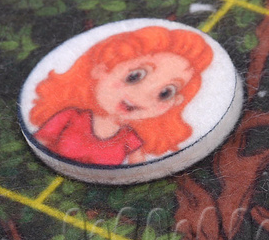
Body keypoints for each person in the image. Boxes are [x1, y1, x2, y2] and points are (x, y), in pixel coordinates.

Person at [28, 25, 213, 166]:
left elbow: (140, 166)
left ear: (175, 102)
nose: (142, 96)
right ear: (102, 69)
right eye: (134, 77)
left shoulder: (130, 139)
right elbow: (41, 144)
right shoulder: (69, 117)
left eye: (165, 93)